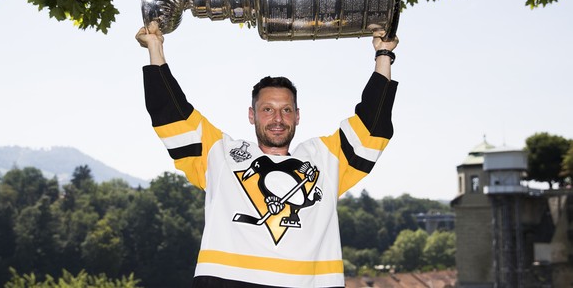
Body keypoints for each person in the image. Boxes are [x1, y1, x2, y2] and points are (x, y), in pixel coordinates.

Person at [136, 21, 398, 288]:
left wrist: (384, 55)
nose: (277, 118)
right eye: (267, 109)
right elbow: (171, 113)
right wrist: (155, 48)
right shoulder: (222, 155)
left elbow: (371, 127)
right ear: (252, 115)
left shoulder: (324, 159)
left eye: (286, 110)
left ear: (297, 117)